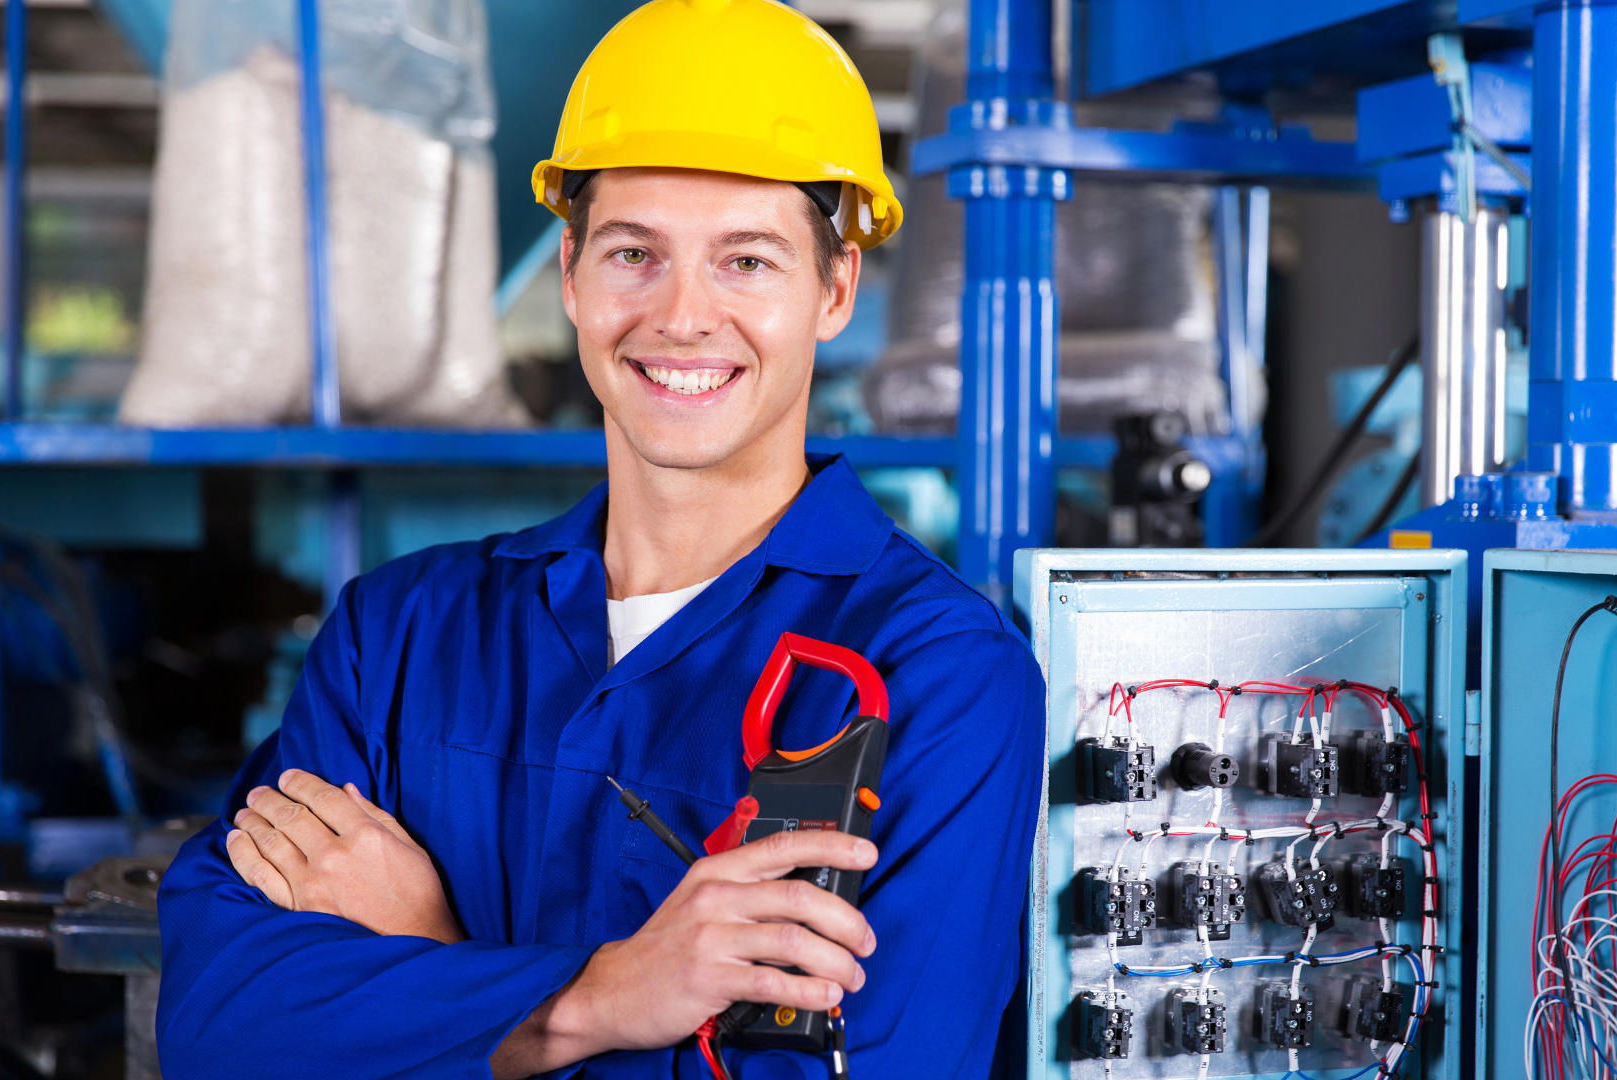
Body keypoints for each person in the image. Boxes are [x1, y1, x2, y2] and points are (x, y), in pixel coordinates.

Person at [153, 1, 1045, 1076]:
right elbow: (221, 1024)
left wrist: (437, 968)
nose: (680, 317)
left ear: (836, 287)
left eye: (748, 262)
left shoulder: (939, 678)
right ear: (570, 273)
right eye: (635, 254)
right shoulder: (396, 637)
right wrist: (606, 998)